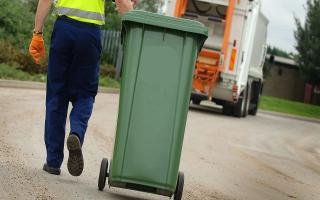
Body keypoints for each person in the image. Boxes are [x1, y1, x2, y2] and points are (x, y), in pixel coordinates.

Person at [29, 0, 134, 176]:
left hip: (64, 30)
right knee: (85, 94)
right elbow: (122, 2)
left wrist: (37, 33)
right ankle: (76, 133)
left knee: (57, 94)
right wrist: (133, 24)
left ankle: (53, 162)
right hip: (89, 35)